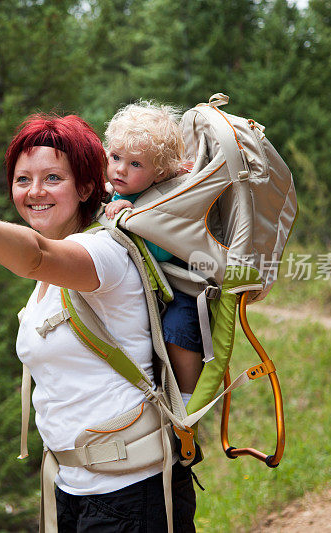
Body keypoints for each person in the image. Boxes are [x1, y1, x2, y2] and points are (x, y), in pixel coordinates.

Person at [0, 113, 196, 532]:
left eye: (52, 178)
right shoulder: (54, 277)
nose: (35, 191)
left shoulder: (105, 252)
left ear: (86, 186)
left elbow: (36, 255)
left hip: (131, 493)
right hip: (74, 490)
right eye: (22, 179)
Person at [103, 101, 203, 404]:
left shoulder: (161, 198)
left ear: (159, 174)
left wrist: (134, 217)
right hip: (152, 286)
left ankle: (187, 400)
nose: (120, 169)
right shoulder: (120, 188)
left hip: (180, 283)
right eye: (116, 157)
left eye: (135, 164)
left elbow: (161, 250)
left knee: (178, 329)